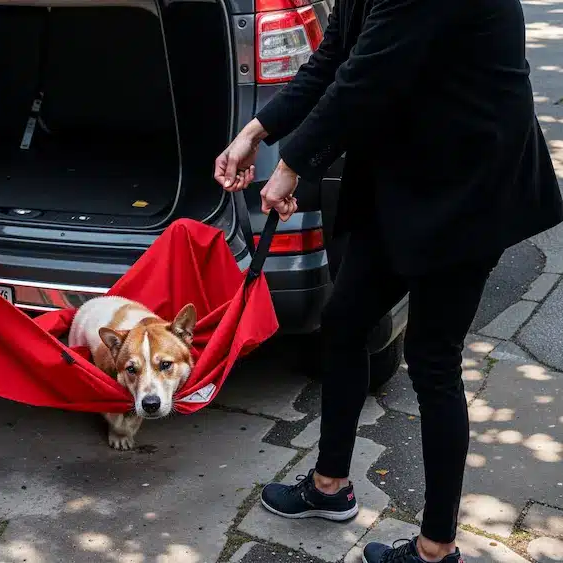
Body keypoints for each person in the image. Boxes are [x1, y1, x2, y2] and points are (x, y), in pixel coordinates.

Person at [214, 0, 562, 562]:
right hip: (406, 174)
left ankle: (435, 549)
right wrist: (257, 130)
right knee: (346, 320)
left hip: (471, 186)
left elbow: (365, 78)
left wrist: (290, 164)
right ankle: (330, 488)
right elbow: (334, 57)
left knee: (433, 360)